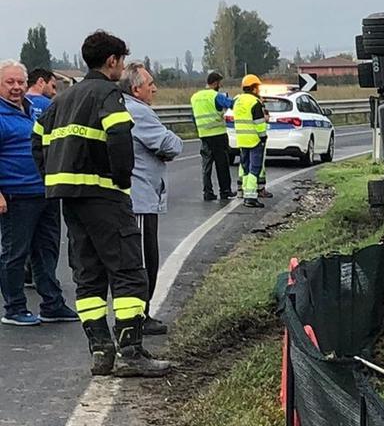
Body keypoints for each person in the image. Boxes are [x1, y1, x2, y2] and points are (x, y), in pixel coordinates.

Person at [32, 30, 171, 377]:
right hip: (104, 196)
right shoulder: (109, 93)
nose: (122, 68)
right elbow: (120, 136)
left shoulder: (62, 98)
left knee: (88, 277)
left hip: (70, 199)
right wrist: (121, 179)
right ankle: (131, 353)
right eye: (121, 61)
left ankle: (101, 351)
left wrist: (52, 177)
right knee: (128, 273)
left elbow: (37, 139)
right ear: (112, 61)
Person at [0, 60, 78, 326]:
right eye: (9, 82)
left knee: (47, 251)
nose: (16, 87)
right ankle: (14, 308)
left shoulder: (33, 110)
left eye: (20, 82)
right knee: (15, 253)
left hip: (44, 192)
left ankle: (52, 304)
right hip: (15, 195)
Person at [121, 63, 183, 336]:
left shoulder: (125, 107)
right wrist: (170, 142)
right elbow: (170, 145)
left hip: (139, 196)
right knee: (145, 260)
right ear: (136, 89)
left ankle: (137, 315)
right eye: (150, 84)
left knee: (140, 259)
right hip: (141, 197)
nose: (155, 88)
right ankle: (139, 317)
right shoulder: (139, 112)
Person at [22, 67, 58, 288]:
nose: (55, 92)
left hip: (18, 179)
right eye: (53, 86)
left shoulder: (18, 104)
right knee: (46, 239)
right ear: (41, 82)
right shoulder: (48, 106)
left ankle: (26, 274)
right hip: (43, 177)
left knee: (19, 240)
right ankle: (43, 278)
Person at [190, 71, 235, 201]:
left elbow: (193, 116)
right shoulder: (215, 96)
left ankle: (207, 192)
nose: (220, 85)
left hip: (204, 135)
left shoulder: (195, 97)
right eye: (219, 83)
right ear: (215, 83)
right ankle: (225, 191)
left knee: (206, 165)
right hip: (218, 134)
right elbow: (230, 104)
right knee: (222, 165)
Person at [233, 74, 268, 208]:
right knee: (255, 168)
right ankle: (251, 197)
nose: (258, 90)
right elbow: (259, 123)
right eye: (257, 87)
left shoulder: (238, 101)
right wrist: (263, 137)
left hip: (241, 139)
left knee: (246, 168)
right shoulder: (255, 102)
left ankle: (246, 193)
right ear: (253, 88)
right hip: (254, 140)